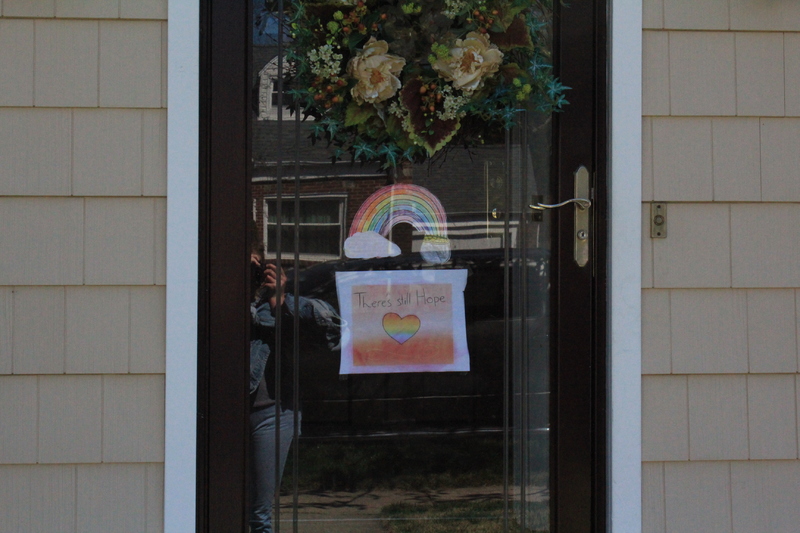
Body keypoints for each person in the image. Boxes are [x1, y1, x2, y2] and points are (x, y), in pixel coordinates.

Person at [248, 246, 341, 533]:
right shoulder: (212, 303)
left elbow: (331, 328)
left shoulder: (274, 306)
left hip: (271, 415)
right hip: (222, 417)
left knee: (259, 512)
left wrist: (279, 297)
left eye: (252, 267)